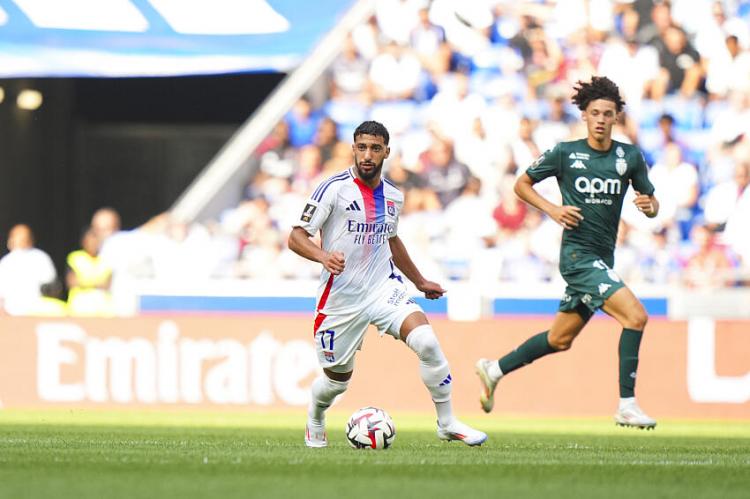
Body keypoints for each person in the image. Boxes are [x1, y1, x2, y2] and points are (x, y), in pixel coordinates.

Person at [475, 76, 661, 429]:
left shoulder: (630, 157)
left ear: (617, 117)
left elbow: (652, 204)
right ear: (585, 116)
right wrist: (552, 209)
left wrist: (647, 206)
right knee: (635, 317)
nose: (602, 119)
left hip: (603, 258)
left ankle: (494, 369)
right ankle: (627, 404)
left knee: (559, 339)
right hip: (578, 258)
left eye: (608, 113)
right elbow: (521, 184)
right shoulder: (565, 153)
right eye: (595, 113)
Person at [288, 120, 487, 448]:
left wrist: (420, 281)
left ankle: (447, 422)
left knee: (426, 341)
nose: (368, 154)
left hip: (384, 287)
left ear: (386, 152)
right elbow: (296, 237)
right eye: (362, 147)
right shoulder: (332, 189)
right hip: (341, 297)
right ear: (353, 149)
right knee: (336, 382)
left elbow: (392, 240)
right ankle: (315, 415)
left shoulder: (393, 195)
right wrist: (323, 257)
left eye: (375, 148)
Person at [0, 224, 57, 315]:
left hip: (38, 311)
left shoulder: (41, 257)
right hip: (11, 312)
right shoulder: (5, 262)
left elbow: (51, 285)